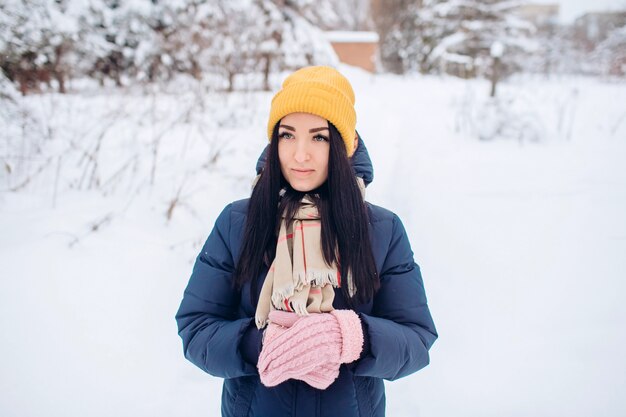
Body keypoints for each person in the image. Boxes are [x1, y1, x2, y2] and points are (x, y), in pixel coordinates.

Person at [175, 66, 438, 417]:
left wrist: (349, 337)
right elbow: (196, 327)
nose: (300, 154)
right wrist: (263, 343)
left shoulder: (381, 228)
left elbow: (416, 340)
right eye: (287, 135)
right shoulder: (238, 222)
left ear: (349, 144)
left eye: (319, 137)